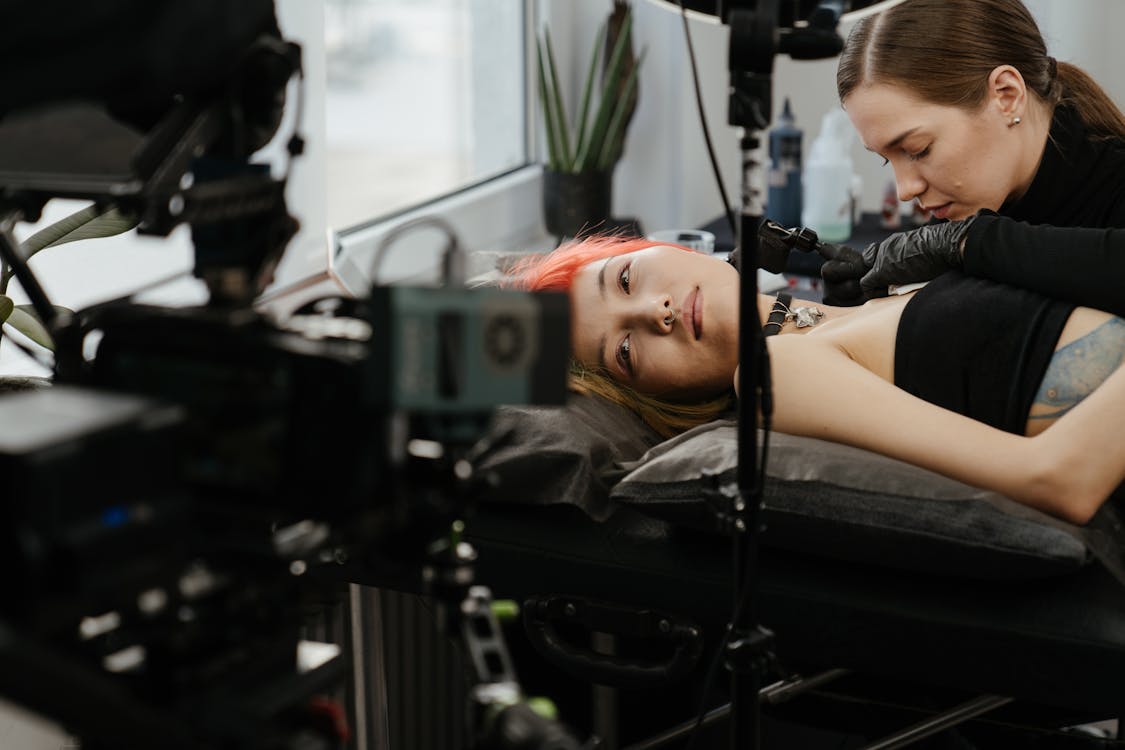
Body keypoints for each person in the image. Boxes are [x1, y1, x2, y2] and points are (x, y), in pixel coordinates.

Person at [508, 235, 1125, 526]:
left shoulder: (853, 297)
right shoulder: (776, 373)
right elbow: (1058, 480)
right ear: (658, 398)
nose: (654, 312)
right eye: (624, 349)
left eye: (624, 279)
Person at [818, 0, 1125, 316]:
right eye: (887, 159)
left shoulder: (1112, 188)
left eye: (918, 149)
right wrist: (872, 303)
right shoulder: (974, 206)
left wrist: (966, 243)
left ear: (1007, 96)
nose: (905, 190)